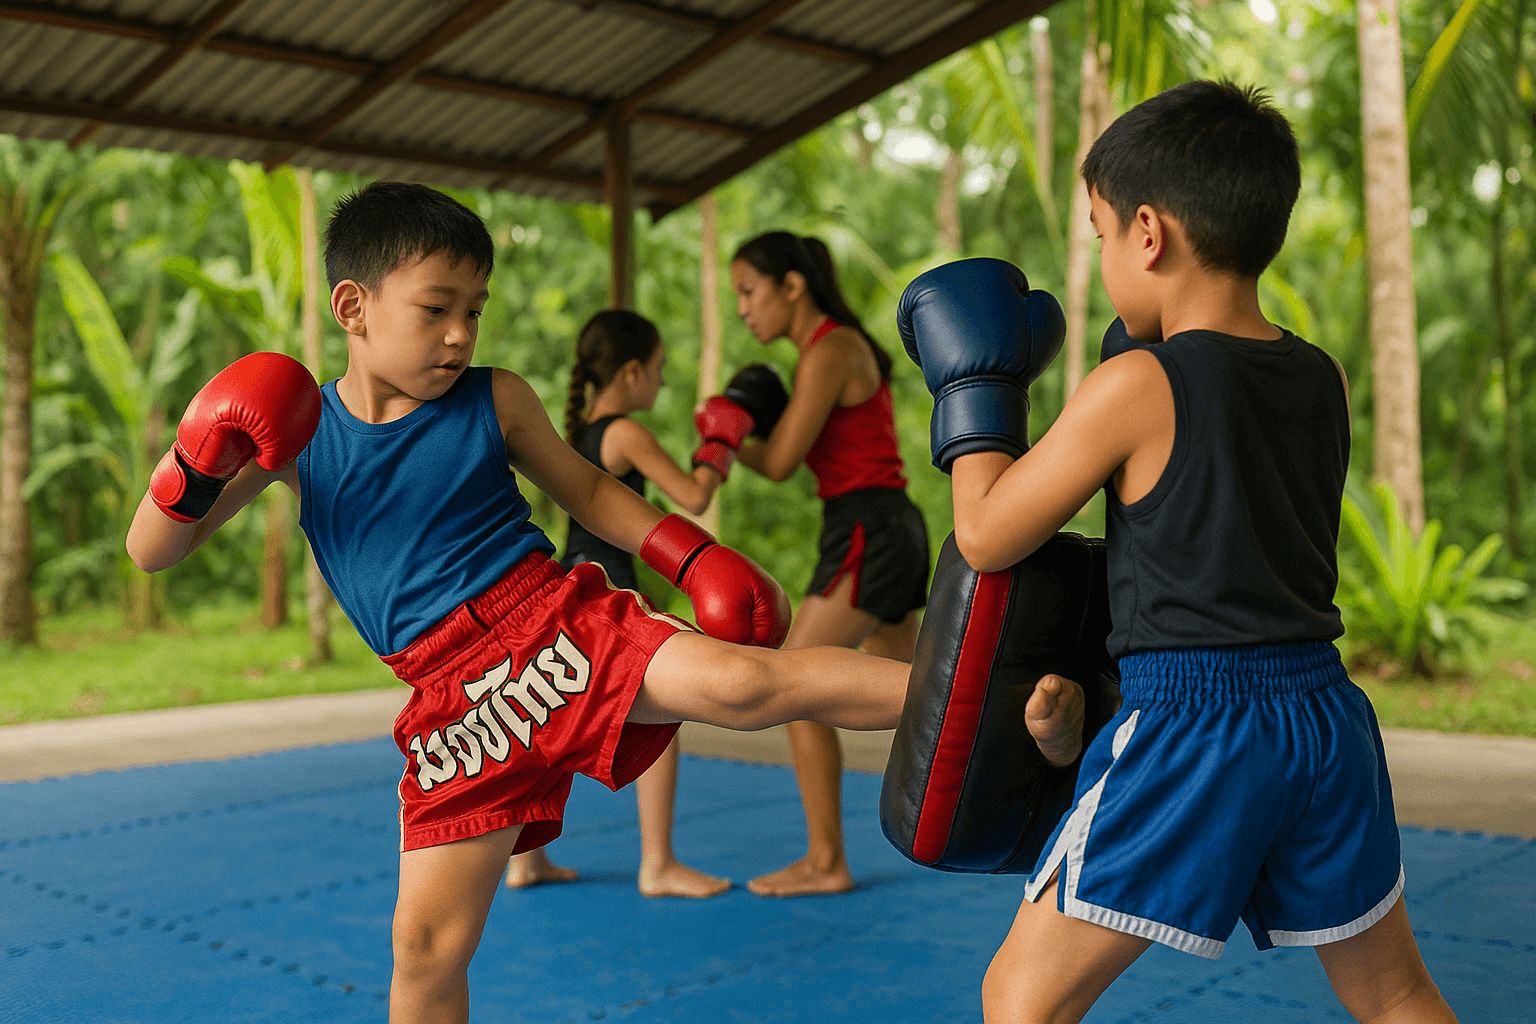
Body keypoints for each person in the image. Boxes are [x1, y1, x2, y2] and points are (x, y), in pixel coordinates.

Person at [124, 181, 910, 1024]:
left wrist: (697, 558)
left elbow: (591, 492)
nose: (461, 332)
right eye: (437, 308)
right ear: (353, 306)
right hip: (453, 701)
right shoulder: (299, 430)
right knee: (423, 950)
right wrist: (196, 458)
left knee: (744, 686)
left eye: (476, 308)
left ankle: (982, 693)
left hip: (551, 624)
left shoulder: (495, 398)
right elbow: (154, 549)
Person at [898, 82, 1458, 1023]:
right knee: (1395, 991)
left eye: (1101, 233)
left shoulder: (1137, 385)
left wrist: (975, 392)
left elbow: (987, 534)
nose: (1104, 254)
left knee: (1019, 996)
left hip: (1194, 728)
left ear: (1149, 234)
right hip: (1323, 717)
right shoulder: (1324, 378)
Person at [699, 231, 930, 897]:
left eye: (749, 291)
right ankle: (1031, 750)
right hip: (878, 522)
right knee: (923, 697)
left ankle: (827, 860)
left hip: (869, 528)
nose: (743, 308)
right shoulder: (828, 349)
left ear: (791, 286)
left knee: (795, 685)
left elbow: (778, 464)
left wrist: (726, 432)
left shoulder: (829, 349)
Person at [504, 309, 730, 899]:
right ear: (630, 373)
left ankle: (525, 859)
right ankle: (658, 862)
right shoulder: (625, 432)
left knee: (545, 719)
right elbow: (693, 497)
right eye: (656, 370)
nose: (659, 382)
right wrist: (719, 443)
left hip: (571, 577)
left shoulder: (577, 431)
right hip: (610, 581)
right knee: (664, 712)